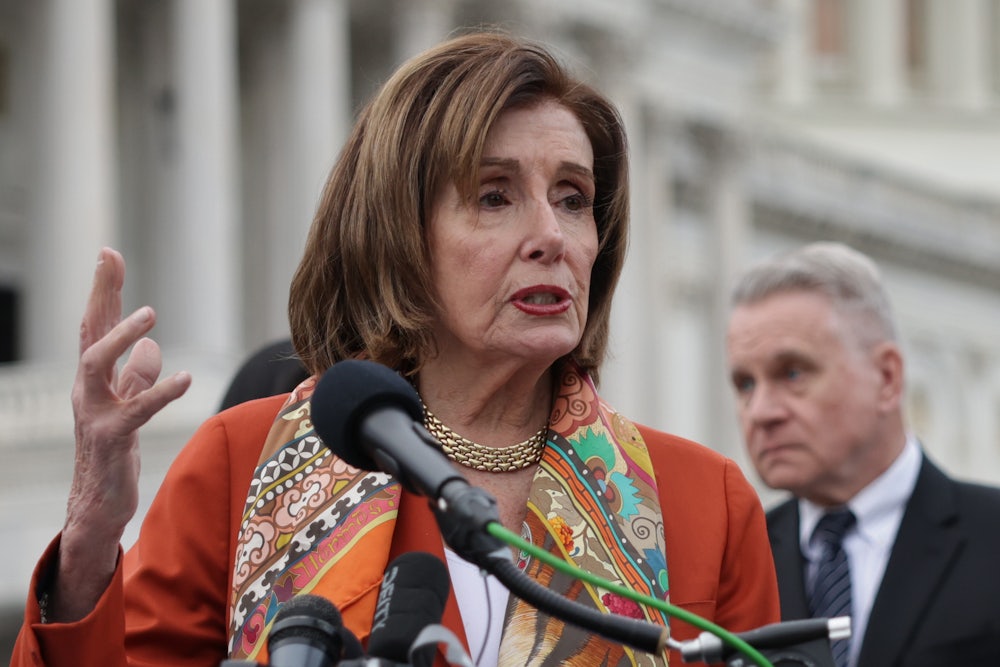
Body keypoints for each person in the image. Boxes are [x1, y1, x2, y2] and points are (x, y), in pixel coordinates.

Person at [12, 31, 779, 667]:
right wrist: (88, 540)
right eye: (494, 195)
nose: (552, 236)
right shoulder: (239, 463)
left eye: (574, 198)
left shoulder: (702, 504)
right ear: (396, 233)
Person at [725, 241, 1000, 667]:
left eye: (793, 373)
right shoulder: (734, 560)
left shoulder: (991, 536)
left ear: (886, 377)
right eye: (745, 384)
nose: (760, 412)